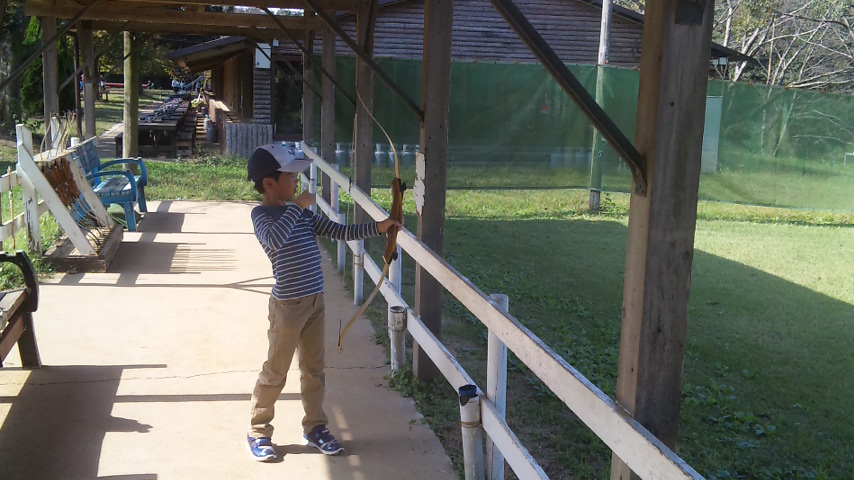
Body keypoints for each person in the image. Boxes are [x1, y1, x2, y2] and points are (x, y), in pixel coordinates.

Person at [245, 143, 400, 462]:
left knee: (314, 370)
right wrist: (297, 207)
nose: (297, 184)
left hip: (315, 303)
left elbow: (340, 231)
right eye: (291, 178)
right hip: (287, 308)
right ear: (269, 184)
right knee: (276, 372)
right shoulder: (262, 214)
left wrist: (379, 227)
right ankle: (259, 430)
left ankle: (315, 427)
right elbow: (274, 242)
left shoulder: (301, 215)